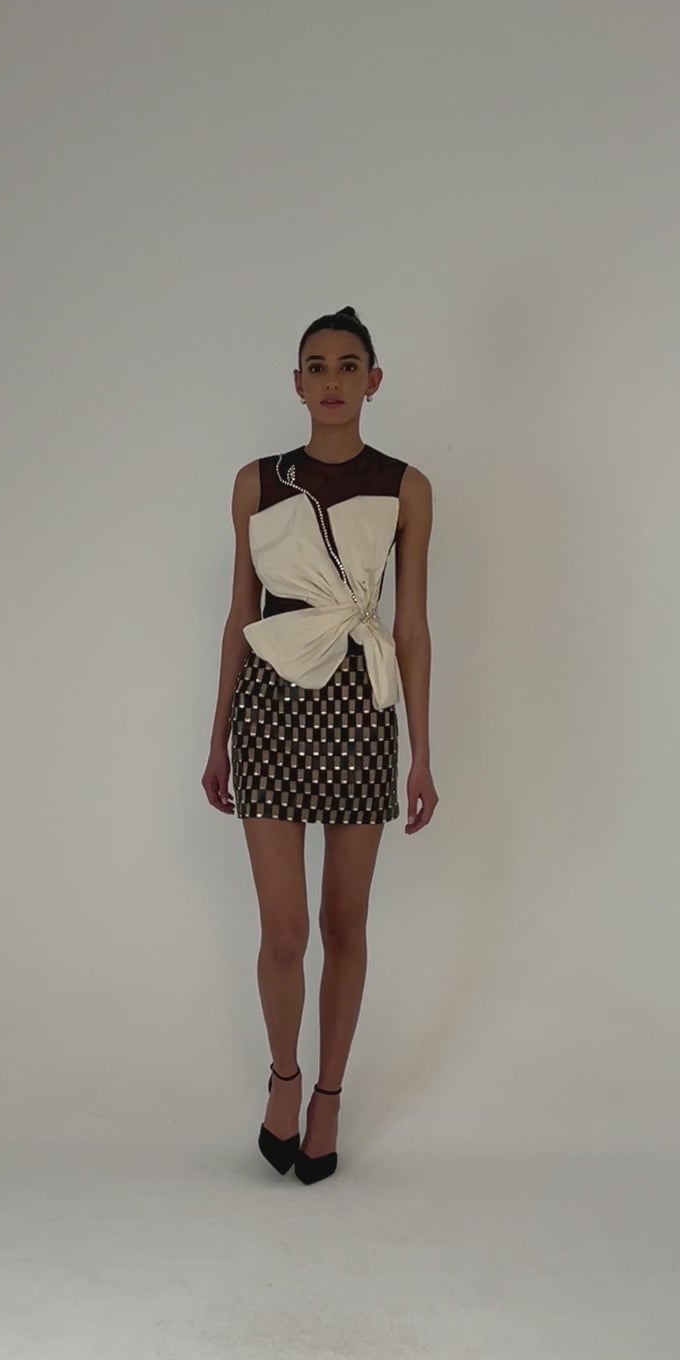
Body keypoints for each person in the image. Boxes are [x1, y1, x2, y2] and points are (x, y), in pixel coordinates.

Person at [201, 306, 438, 1183]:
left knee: (345, 922)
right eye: (315, 365)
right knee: (283, 932)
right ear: (296, 382)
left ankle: (329, 1096)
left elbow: (411, 628)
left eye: (347, 365)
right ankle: (284, 1079)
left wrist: (421, 752)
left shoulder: (406, 486)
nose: (331, 379)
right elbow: (240, 613)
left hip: (358, 713)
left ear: (373, 380)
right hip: (268, 711)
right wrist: (217, 736)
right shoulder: (256, 482)